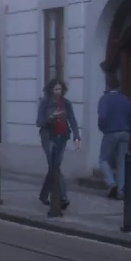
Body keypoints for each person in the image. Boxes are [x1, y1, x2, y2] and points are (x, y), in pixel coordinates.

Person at [36, 78, 80, 209]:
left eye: (60, 89)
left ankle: (44, 195)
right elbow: (39, 122)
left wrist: (76, 137)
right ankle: (63, 197)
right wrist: (50, 118)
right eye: (55, 89)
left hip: (62, 137)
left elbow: (72, 120)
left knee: (54, 167)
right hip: (48, 137)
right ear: (50, 90)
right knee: (55, 166)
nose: (58, 92)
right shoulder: (45, 103)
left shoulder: (66, 103)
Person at [97, 72, 131, 200]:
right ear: (118, 87)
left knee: (103, 159)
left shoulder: (105, 99)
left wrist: (102, 127)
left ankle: (111, 183)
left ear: (107, 86)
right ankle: (121, 191)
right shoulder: (125, 99)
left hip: (110, 132)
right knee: (121, 162)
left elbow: (103, 116)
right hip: (124, 132)